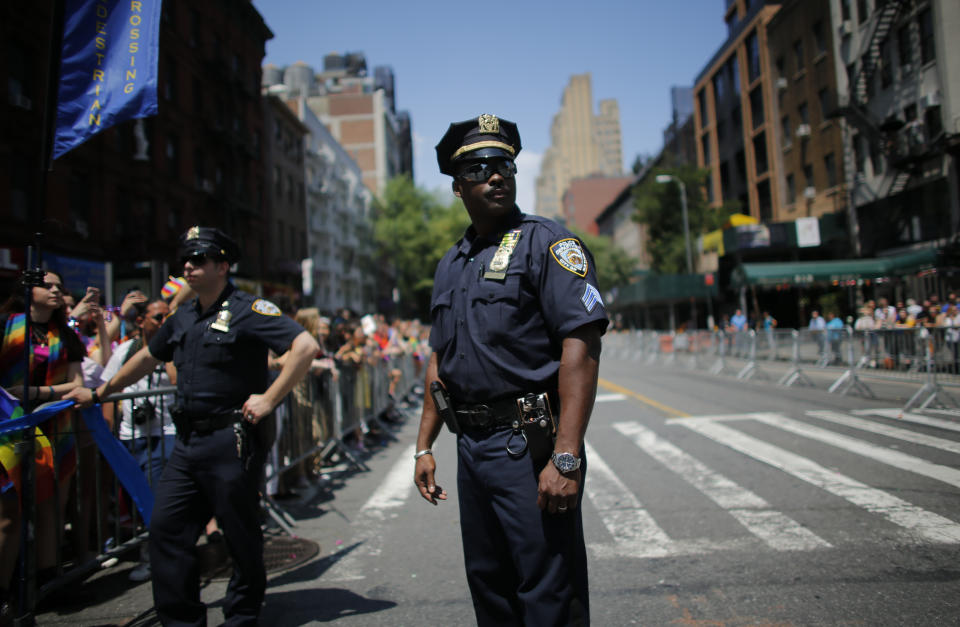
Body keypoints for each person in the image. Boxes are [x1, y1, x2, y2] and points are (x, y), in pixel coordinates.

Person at [66, 227, 318, 626]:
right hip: (187, 444)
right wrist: (103, 392)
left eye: (198, 259)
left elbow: (305, 347)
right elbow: (149, 357)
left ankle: (241, 616)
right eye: (185, 259)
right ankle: (182, 620)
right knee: (166, 531)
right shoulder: (182, 315)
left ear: (222, 265)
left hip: (231, 440)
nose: (188, 265)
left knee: (239, 535)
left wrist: (270, 399)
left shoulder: (249, 309)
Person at [413, 115, 608, 625]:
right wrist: (423, 446)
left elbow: (581, 346)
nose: (495, 175)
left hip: (530, 443)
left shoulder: (547, 243)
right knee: (490, 586)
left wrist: (565, 457)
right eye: (479, 168)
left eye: (503, 164)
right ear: (458, 187)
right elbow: (440, 360)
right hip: (472, 448)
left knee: (548, 590)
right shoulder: (451, 262)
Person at [0, 270, 85, 618]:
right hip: (8, 428)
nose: (54, 291)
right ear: (26, 291)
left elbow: (77, 382)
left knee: (52, 503)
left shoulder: (66, 333)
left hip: (56, 425)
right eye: (46, 285)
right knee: (10, 510)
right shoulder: (6, 326)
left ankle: (48, 578)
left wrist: (37, 394)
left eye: (58, 287)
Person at [99, 298, 176, 582]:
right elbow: (108, 385)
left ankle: (154, 559)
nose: (164, 322)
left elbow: (177, 380)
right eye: (158, 318)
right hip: (131, 436)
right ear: (141, 321)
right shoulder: (126, 350)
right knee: (138, 503)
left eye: (168, 317)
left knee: (156, 501)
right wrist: (107, 435)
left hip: (165, 434)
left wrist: (170, 351)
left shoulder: (175, 347)